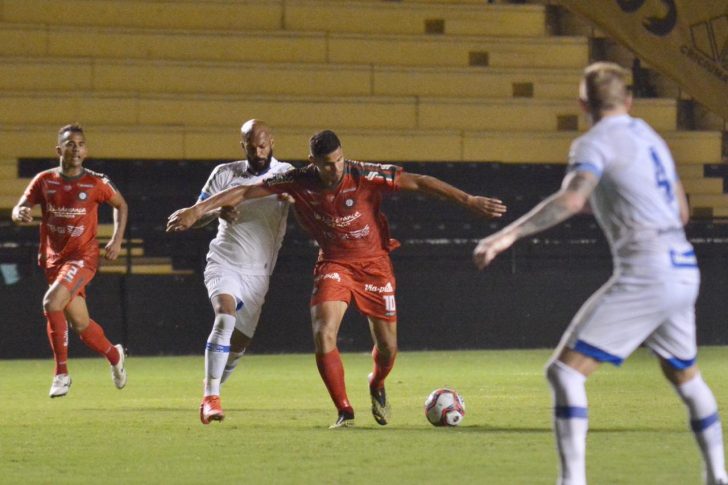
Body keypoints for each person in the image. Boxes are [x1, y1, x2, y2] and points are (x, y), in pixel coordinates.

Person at [473, 62, 727, 485]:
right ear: (628, 101)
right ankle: (718, 475)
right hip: (684, 268)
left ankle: (571, 481)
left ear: (582, 104)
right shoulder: (650, 137)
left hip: (647, 272)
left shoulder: (594, 142)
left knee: (564, 372)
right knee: (685, 375)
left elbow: (572, 200)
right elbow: (681, 212)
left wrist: (505, 236)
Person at [168, 130, 506, 428]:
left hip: (374, 265)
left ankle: (376, 382)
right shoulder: (298, 179)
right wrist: (197, 210)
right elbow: (243, 192)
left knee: (388, 348)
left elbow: (420, 181)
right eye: (328, 163)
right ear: (312, 162)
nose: (336, 168)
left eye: (339, 159)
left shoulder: (364, 173)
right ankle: (344, 411)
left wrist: (468, 200)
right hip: (334, 263)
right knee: (323, 333)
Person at [11, 123, 129, 398]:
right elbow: (21, 206)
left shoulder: (96, 182)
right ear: (59, 150)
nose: (76, 149)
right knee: (81, 325)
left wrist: (116, 239)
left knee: (51, 302)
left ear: (86, 150)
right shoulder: (44, 180)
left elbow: (121, 204)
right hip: (53, 260)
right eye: (70, 144)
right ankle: (115, 356)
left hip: (82, 257)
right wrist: (20, 213)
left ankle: (61, 373)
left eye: (80, 144)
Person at [190, 120, 292, 424]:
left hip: (258, 273)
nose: (259, 151)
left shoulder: (287, 174)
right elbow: (196, 215)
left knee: (239, 345)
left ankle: (213, 387)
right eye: (252, 146)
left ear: (272, 142)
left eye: (263, 145)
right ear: (242, 145)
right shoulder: (225, 173)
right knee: (225, 315)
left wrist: (296, 201)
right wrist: (216, 211)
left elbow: (312, 206)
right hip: (225, 261)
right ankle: (211, 397)